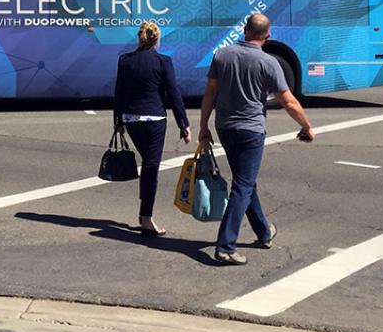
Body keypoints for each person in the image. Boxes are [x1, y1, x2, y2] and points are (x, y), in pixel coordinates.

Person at [199, 13, 314, 265]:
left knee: (245, 182)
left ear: (245, 30)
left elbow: (210, 92)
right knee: (243, 185)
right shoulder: (269, 62)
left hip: (225, 127)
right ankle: (225, 246)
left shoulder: (222, 55)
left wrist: (203, 126)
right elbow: (288, 101)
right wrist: (306, 126)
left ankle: (263, 232)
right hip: (251, 130)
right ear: (267, 35)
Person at [113, 21, 192, 236]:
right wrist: (183, 124)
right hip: (155, 118)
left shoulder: (125, 60)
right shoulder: (163, 61)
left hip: (131, 119)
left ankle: (144, 213)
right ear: (156, 39)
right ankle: (146, 217)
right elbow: (173, 93)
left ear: (139, 38)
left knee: (148, 163)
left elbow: (119, 92)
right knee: (151, 166)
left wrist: (118, 122)